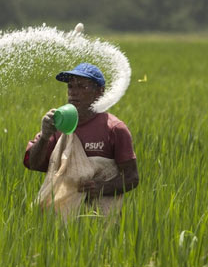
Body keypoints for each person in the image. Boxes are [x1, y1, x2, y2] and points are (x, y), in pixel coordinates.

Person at [24, 63, 139, 215]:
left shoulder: (114, 129)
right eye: (71, 86)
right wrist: (44, 137)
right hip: (59, 219)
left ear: (99, 92)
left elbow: (131, 177)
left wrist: (102, 187)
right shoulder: (57, 124)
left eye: (82, 87)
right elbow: (33, 164)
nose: (74, 92)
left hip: (100, 219)